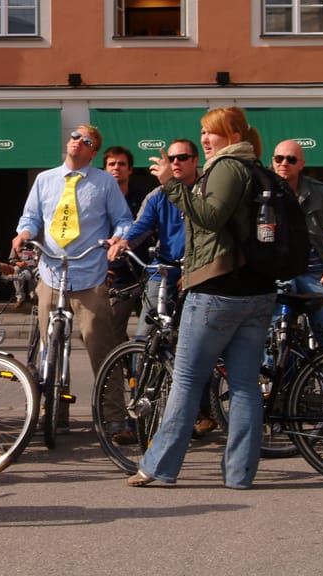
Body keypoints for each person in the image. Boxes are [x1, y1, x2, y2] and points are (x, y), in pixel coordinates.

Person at [128, 107, 277, 490]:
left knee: (188, 380)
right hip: (256, 292)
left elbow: (210, 217)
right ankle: (240, 474)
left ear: (229, 134)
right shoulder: (255, 167)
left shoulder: (229, 168)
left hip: (218, 292)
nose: (205, 139)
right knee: (244, 385)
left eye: (209, 133)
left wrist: (170, 185)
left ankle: (159, 465)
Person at [12, 125, 133, 433]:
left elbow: (123, 220)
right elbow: (32, 216)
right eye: (75, 137)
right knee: (48, 348)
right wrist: (24, 233)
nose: (78, 142)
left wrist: (118, 239)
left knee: (99, 344)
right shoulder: (44, 179)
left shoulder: (104, 183)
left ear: (93, 152)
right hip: (51, 273)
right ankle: (52, 411)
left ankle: (114, 415)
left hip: (89, 274)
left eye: (87, 140)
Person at [108, 138, 214, 440]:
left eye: (183, 157)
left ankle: (202, 412)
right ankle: (138, 417)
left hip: (201, 273)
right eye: (172, 157)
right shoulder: (157, 196)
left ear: (196, 161)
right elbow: (141, 225)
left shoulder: (205, 192)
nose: (176, 162)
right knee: (144, 343)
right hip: (163, 272)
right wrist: (125, 241)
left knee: (198, 345)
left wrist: (194, 270)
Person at [271, 140, 323, 347]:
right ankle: (284, 379)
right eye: (279, 158)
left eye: (291, 159)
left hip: (317, 276)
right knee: (275, 342)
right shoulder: (263, 192)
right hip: (278, 275)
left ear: (302, 164)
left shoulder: (321, 193)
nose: (284, 163)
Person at [104, 145, 149, 348]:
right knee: (112, 334)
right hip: (116, 277)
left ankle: (142, 375)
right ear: (104, 169)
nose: (116, 168)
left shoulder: (142, 197)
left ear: (130, 169)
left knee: (150, 333)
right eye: (111, 164)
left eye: (121, 164)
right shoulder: (99, 200)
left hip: (143, 273)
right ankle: (122, 374)